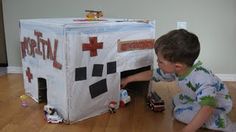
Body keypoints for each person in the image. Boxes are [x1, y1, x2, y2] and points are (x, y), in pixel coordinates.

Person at [121, 29, 234, 132]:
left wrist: (186, 130)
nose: (157, 63)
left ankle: (221, 122)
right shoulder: (177, 71)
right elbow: (152, 74)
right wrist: (128, 79)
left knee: (179, 113)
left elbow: (208, 108)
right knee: (176, 99)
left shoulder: (202, 78)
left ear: (178, 66)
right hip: (197, 99)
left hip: (215, 106)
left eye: (160, 62)